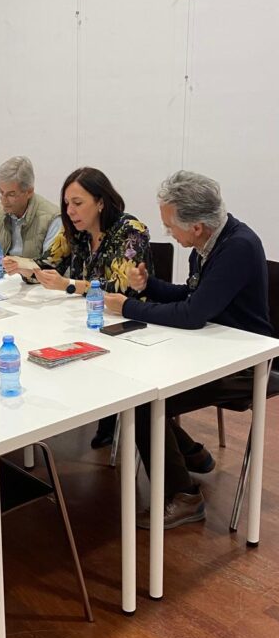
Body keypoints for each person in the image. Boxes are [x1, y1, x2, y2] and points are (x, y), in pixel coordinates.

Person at [104, 170, 273, 529]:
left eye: (170, 226)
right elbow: (193, 295)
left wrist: (128, 307)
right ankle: (191, 454)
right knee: (139, 391)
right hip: (212, 349)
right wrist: (151, 285)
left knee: (147, 400)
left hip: (247, 366)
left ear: (196, 226)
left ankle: (183, 496)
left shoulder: (238, 247)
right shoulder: (209, 243)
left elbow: (194, 314)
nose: (168, 233)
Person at [21, 166, 152, 448]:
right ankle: (104, 415)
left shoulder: (131, 231)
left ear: (101, 202)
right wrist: (23, 267)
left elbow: (119, 290)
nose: (70, 211)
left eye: (78, 203)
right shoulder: (75, 232)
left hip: (130, 328)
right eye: (67, 204)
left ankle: (114, 415)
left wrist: (69, 284)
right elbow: (49, 264)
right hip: (86, 322)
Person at [0, 157, 60, 269]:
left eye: (11, 194)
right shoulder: (0, 211)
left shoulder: (52, 218)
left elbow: (50, 265)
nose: (3, 200)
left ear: (29, 192)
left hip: (36, 284)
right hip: (4, 280)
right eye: (1, 192)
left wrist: (18, 265)